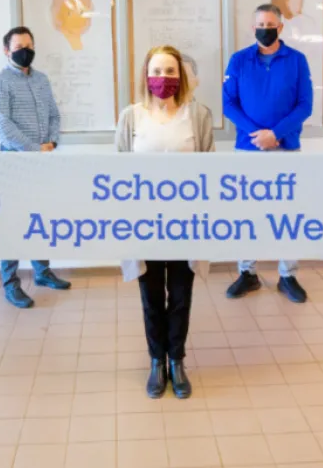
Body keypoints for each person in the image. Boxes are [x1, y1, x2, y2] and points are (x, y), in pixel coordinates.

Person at [116, 45, 214, 399]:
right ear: (146, 76)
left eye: (170, 71)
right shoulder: (131, 117)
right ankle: (157, 360)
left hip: (186, 223)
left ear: (181, 75)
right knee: (151, 295)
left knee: (182, 295)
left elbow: (210, 168)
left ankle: (177, 360)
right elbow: (118, 171)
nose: (163, 78)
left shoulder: (197, 115)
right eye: (156, 71)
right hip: (146, 225)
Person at [222, 3, 313, 303]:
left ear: (280, 27)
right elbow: (229, 104)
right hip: (248, 150)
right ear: (253, 28)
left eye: (270, 25)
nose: (265, 30)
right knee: (246, 214)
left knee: (288, 215)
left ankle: (288, 275)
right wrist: (257, 135)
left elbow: (305, 105)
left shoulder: (297, 60)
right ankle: (247, 273)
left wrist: (276, 134)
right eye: (260, 25)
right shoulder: (238, 60)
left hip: (286, 148)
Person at [0, 26, 71, 308]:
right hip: (14, 162)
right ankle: (11, 284)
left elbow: (54, 115)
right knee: (12, 222)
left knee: (40, 217)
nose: (25, 51)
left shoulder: (42, 80)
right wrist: (36, 147)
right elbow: (3, 128)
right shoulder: (0, 82)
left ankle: (42, 272)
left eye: (29, 46)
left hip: (42, 162)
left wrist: (52, 141)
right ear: (6, 50)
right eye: (18, 47)